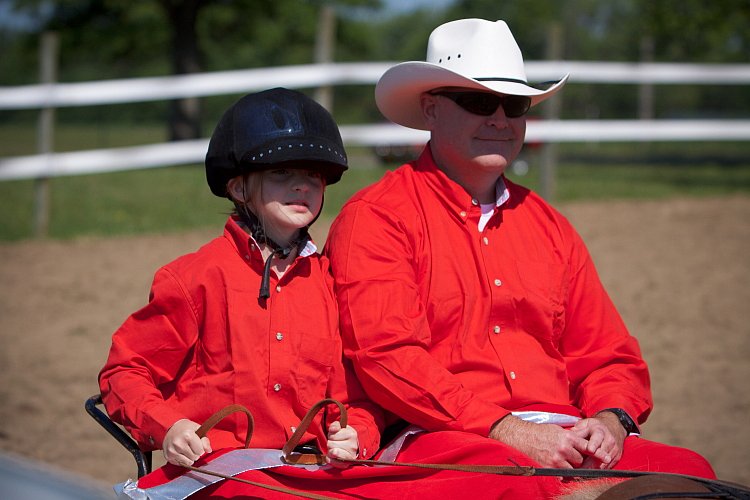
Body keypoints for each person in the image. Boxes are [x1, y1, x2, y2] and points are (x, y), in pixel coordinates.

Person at [324, 18, 717, 495]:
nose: (499, 119)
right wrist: (506, 430)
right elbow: (387, 357)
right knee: (516, 490)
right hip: (440, 437)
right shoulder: (378, 218)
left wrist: (611, 420)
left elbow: (608, 355)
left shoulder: (549, 225)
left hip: (562, 434)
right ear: (430, 110)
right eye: (478, 102)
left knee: (691, 475)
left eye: (514, 105)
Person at [98, 88, 384, 497]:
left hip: (308, 474)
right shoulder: (193, 278)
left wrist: (359, 432)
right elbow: (125, 372)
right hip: (218, 475)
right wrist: (170, 426)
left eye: (313, 176)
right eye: (282, 173)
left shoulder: (334, 283)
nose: (302, 186)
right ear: (238, 189)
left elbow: (361, 394)